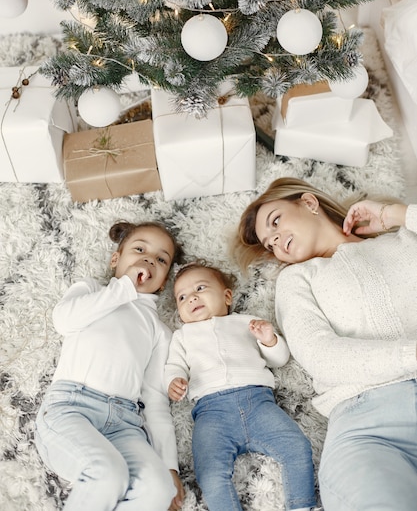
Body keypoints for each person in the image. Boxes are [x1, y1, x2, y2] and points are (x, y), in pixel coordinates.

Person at [234, 176, 417, 511]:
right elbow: (319, 353)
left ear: (308, 202)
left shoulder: (406, 240)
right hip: (369, 429)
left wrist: (395, 214)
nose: (275, 240)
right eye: (269, 243)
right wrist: (411, 355)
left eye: (275, 222)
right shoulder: (297, 279)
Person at [34, 220, 185, 511]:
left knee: (159, 491)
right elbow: (64, 321)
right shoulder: (91, 290)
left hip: (125, 423)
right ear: (116, 259)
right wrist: (123, 287)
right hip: (71, 408)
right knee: (107, 472)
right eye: (139, 249)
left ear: (164, 281)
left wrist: (170, 466)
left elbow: (155, 401)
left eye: (161, 259)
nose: (148, 259)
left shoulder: (158, 331)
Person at [165, 261, 317, 511]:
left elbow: (279, 359)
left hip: (258, 403)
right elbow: (173, 366)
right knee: (210, 472)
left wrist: (269, 340)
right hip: (212, 414)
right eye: (182, 297)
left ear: (227, 296)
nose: (192, 298)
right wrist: (174, 381)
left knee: (296, 446)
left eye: (200, 288)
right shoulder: (183, 337)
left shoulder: (247, 323)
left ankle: (302, 505)